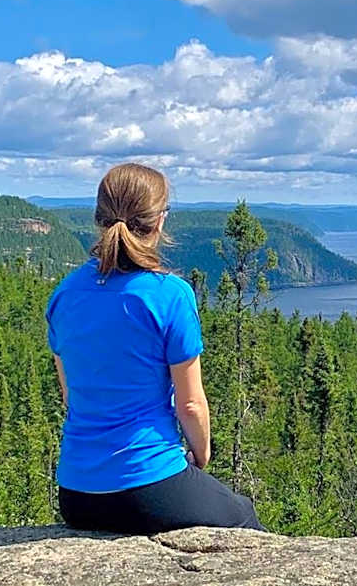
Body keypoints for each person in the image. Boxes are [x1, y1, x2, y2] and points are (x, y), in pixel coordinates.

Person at [46, 163, 264, 534]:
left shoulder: (64, 294)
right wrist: (202, 454)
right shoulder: (169, 295)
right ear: (160, 221)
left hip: (76, 494)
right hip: (149, 485)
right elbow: (190, 404)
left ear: (99, 218)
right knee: (242, 518)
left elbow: (71, 396)